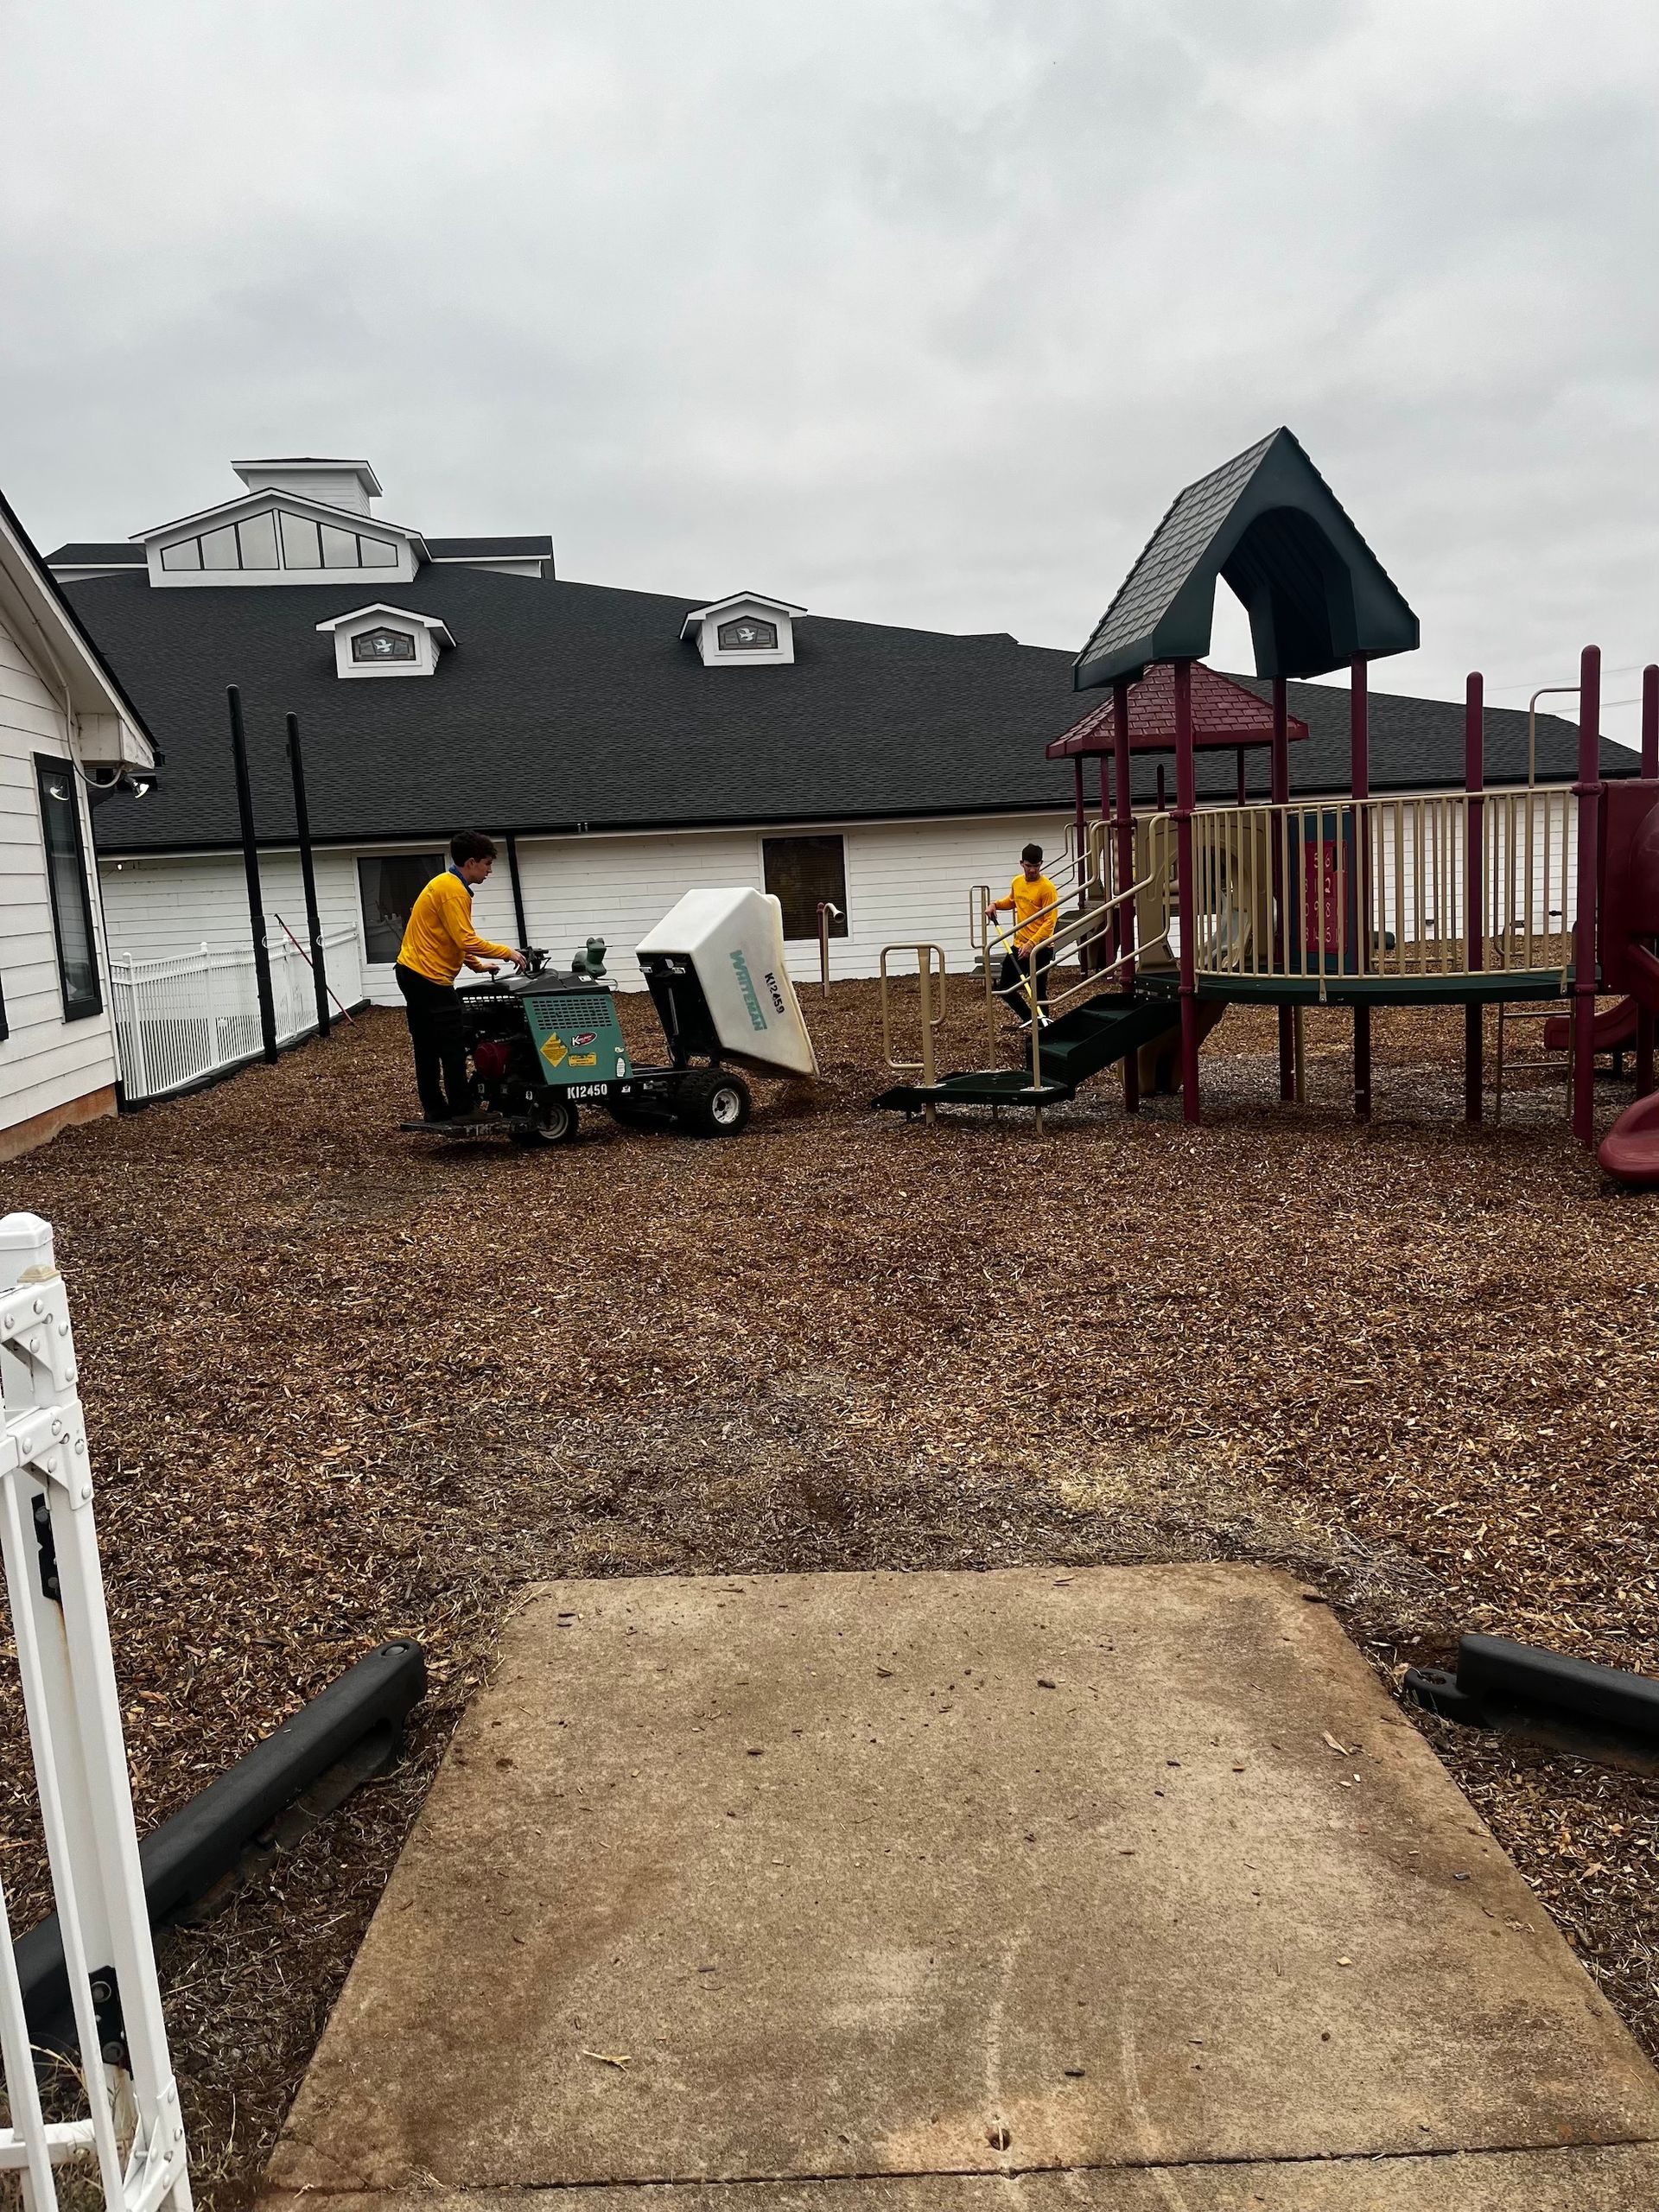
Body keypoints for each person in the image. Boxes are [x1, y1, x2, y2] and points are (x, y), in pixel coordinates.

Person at [395, 831, 528, 1123]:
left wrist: (479, 967)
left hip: (411, 972)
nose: (490, 871)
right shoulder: (453, 890)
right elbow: (466, 938)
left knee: (427, 1046)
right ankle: (463, 1109)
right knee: (453, 1044)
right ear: (471, 862)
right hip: (429, 978)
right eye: (488, 864)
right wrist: (508, 953)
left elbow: (450, 938)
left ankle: (434, 1108)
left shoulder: (444, 885)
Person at [990, 842, 1060, 1027]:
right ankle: (1031, 1020)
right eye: (1029, 866)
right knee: (1005, 987)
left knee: (1038, 990)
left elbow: (1049, 922)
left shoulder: (1047, 889)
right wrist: (995, 905)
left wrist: (1032, 944)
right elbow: (1012, 901)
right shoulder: (1017, 882)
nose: (1032, 870)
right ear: (1022, 863)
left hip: (1041, 948)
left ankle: (1046, 1030)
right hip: (1019, 944)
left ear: (1041, 865)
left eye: (1036, 866)